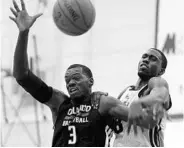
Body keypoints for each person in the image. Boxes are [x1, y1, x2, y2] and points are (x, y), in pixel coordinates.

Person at [10, 0, 156, 146]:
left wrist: (155, 95)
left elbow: (146, 121)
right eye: (67, 80)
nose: (70, 83)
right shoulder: (60, 102)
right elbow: (22, 76)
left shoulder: (102, 103)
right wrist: (24, 32)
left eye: (76, 78)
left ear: (90, 81)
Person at [111, 48, 172, 147]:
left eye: (153, 59)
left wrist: (139, 103)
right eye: (144, 56)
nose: (146, 60)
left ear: (161, 71)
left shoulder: (158, 82)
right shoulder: (126, 91)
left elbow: (159, 95)